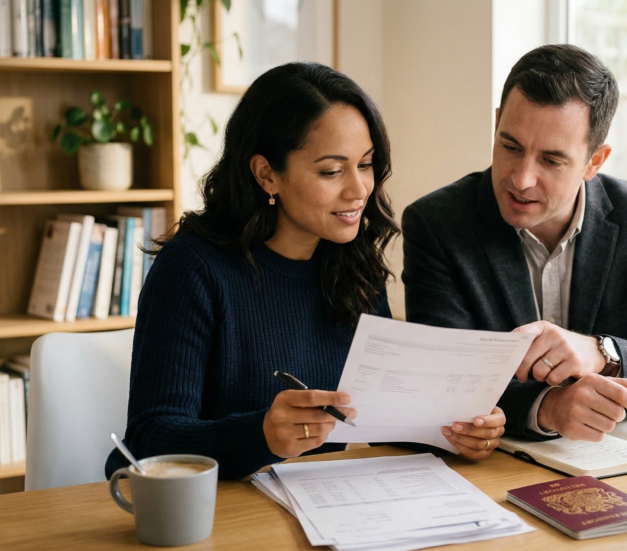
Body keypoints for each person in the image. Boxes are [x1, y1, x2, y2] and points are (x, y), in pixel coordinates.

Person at [105, 63, 504, 481]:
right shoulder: (192, 270)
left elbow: (382, 418)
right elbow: (149, 440)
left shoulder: (353, 262)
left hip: (318, 508)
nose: (359, 189)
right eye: (331, 171)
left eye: (365, 164)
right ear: (266, 174)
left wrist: (458, 430)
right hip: (218, 516)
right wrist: (261, 435)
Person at [401, 44, 627, 444]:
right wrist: (550, 407)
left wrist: (603, 353)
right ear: (497, 123)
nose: (521, 179)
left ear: (594, 162)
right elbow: (442, 382)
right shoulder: (437, 224)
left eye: (551, 160)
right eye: (510, 146)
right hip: (493, 474)